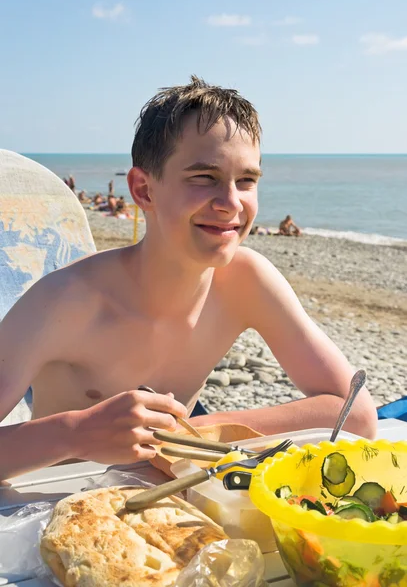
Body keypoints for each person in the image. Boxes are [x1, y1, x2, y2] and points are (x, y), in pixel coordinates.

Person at [0, 76, 376, 480]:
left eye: (247, 180)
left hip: (176, 511)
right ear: (144, 190)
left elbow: (357, 414)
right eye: (204, 178)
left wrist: (202, 428)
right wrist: (74, 434)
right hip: (53, 509)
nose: (231, 203)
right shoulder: (61, 302)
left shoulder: (245, 281)